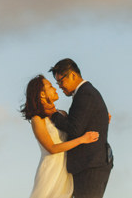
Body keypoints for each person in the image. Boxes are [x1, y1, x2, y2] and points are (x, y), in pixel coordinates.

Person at [21, 74, 101, 198]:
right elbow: (52, 148)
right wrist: (82, 140)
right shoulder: (37, 119)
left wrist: (101, 118)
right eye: (51, 86)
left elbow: (77, 128)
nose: (55, 89)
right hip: (51, 171)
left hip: (67, 169)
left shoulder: (62, 114)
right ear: (42, 94)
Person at [49, 58, 112, 198]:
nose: (60, 86)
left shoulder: (85, 94)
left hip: (91, 166)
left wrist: (52, 115)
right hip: (90, 164)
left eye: (61, 81)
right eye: (57, 82)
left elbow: (74, 128)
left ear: (72, 75)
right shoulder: (85, 93)